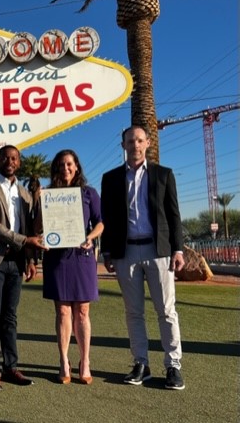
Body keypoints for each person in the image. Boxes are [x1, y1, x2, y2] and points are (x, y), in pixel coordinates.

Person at [101, 125, 186, 390]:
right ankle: (141, 364)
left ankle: (173, 366)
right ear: (123, 145)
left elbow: (174, 214)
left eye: (139, 140)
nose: (135, 145)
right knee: (133, 312)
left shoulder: (163, 175)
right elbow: (108, 218)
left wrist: (178, 249)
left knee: (166, 311)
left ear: (147, 143)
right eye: (130, 141)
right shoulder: (111, 178)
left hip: (158, 251)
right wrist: (107, 251)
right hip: (126, 253)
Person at [0, 145, 46, 391]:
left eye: (14, 158)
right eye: (5, 157)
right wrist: (25, 241)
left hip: (16, 262)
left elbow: (30, 229)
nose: (10, 161)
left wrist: (31, 260)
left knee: (10, 317)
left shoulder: (25, 194)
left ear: (19, 162)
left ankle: (11, 367)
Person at [40, 150, 104, 385]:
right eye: (61, 164)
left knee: (83, 311)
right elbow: (40, 225)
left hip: (82, 256)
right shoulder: (48, 195)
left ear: (76, 167)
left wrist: (90, 236)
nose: (65, 168)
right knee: (63, 311)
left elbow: (100, 222)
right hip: (57, 258)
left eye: (69, 164)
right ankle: (64, 360)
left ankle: (85, 361)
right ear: (56, 169)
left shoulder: (89, 193)